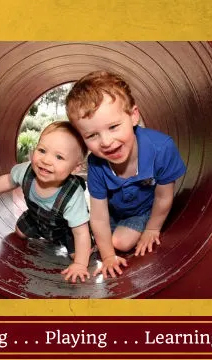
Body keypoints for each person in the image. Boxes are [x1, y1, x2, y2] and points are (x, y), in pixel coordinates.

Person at [65, 70, 186, 279]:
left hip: (143, 210)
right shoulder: (96, 164)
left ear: (133, 116)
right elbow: (100, 216)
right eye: (92, 135)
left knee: (120, 242)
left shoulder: (161, 148)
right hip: (114, 212)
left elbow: (164, 196)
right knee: (81, 239)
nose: (106, 142)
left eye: (113, 127)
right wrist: (108, 257)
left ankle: (135, 228)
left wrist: (152, 229)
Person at [0, 121, 93, 283]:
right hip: (36, 218)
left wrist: (80, 264)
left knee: (78, 253)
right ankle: (42, 233)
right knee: (19, 232)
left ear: (75, 168)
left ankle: (92, 242)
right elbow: (8, 181)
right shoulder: (26, 170)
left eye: (59, 157)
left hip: (66, 228)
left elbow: (80, 232)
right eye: (42, 150)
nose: (46, 160)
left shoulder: (72, 195)